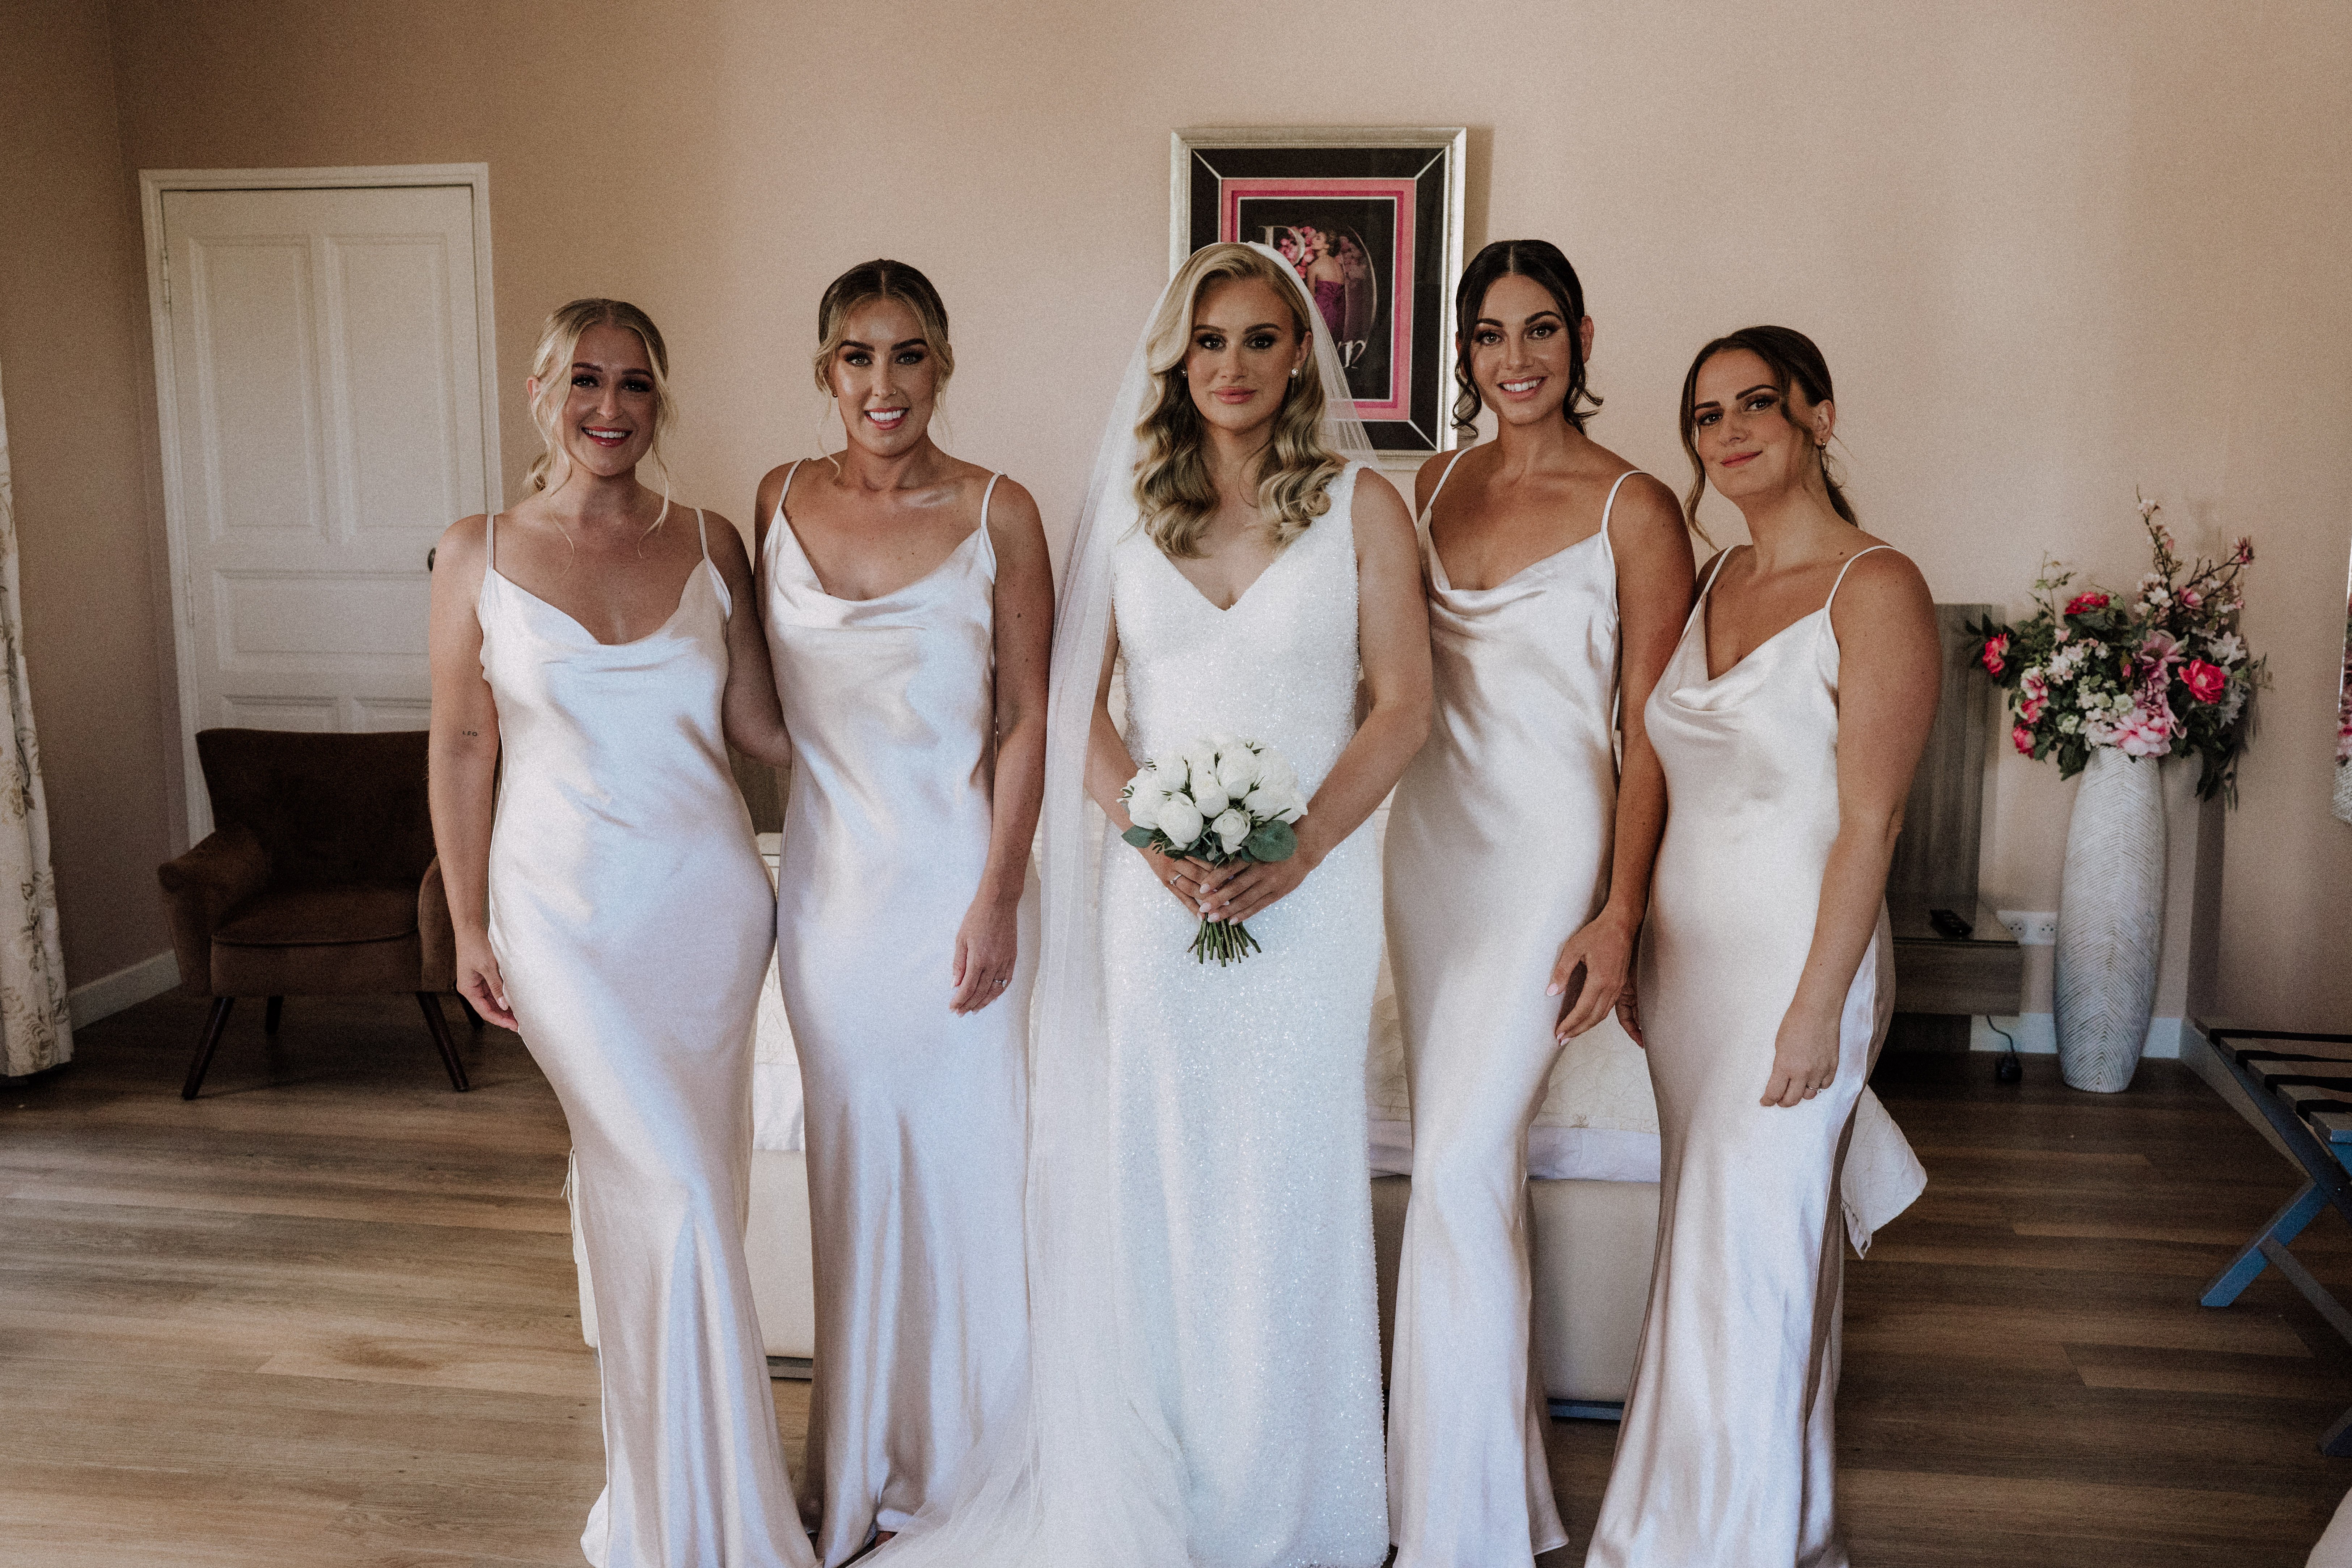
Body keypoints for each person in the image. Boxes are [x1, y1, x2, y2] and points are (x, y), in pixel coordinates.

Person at [877, 241, 1431, 1568]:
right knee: (1162, 1175)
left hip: (1311, 900)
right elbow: (1065, 705)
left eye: (1259, 339)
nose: (1231, 365)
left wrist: (1300, 850)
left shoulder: (1363, 506)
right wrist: (1147, 839)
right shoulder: (1128, 507)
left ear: (1300, 356)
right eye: (1209, 340)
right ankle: (1163, 1488)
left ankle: (1295, 1504)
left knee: (1288, 1178)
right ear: (1176, 361)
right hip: (1157, 901)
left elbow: (1405, 706)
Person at [426, 299, 811, 1568]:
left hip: (706, 911)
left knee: (676, 1202)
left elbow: (764, 727)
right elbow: (464, 741)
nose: (610, 406)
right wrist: (467, 917)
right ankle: (702, 1514)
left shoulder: (709, 542)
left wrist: (925, 709)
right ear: (541, 393)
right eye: (585, 380)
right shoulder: (474, 551)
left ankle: (676, 1502)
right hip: (559, 919)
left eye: (635, 383)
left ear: (659, 401)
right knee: (675, 1190)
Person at [1585, 326, 1937, 1568]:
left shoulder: (1875, 587)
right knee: (1705, 1243)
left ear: (1817, 418)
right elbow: (1653, 764)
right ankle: (1678, 1523)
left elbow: (1871, 822)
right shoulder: (1714, 577)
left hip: (1799, 966)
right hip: (1689, 981)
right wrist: (1629, 925)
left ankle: (1746, 1541)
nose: (1727, 433)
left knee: (1762, 1251)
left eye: (1756, 405)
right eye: (1705, 416)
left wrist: (1816, 1008)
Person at [1382, 240, 1693, 1565]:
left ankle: (1458, 1530)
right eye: (1490, 334)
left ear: (1580, 340)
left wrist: (1620, 913)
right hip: (1428, 847)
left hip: (1547, 851)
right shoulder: (1425, 484)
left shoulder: (1636, 507)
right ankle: (1480, 1499)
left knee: (1458, 1165)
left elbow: (1654, 730)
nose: (1516, 359)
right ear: (1461, 352)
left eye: (1541, 330)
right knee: (1464, 1170)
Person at [753, 259, 1051, 1566]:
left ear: (943, 365)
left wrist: (1000, 890)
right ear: (825, 369)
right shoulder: (774, 499)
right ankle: (859, 1462)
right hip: (829, 901)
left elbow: (1030, 714)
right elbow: (747, 702)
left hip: (955, 886)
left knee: (969, 1177)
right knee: (852, 1176)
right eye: (858, 356)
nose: (884, 383)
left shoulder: (1000, 510)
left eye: (909, 353)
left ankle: (975, 1463)